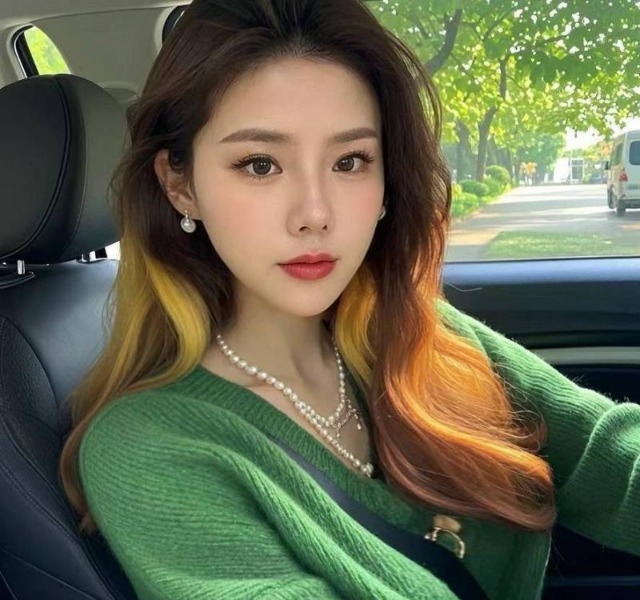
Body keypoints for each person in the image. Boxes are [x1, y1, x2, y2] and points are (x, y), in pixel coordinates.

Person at [59, 1, 640, 599]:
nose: (315, 214)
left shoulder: (420, 335)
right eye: (260, 165)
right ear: (180, 186)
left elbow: (608, 458)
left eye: (349, 161)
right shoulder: (149, 449)